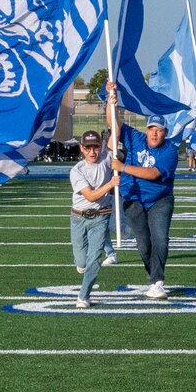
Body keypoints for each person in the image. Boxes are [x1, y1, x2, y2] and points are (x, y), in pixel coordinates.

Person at [111, 100, 180, 299]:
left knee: (161, 239)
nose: (154, 133)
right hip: (133, 199)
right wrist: (111, 103)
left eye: (158, 130)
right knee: (143, 245)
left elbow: (153, 173)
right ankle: (153, 273)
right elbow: (114, 124)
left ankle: (157, 281)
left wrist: (123, 167)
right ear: (146, 129)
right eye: (151, 129)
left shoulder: (170, 150)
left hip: (160, 199)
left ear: (165, 132)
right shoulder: (135, 137)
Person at [69, 129, 119, 307]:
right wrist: (110, 185)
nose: (92, 152)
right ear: (81, 148)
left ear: (100, 147)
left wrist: (113, 103)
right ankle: (82, 266)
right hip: (78, 218)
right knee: (82, 262)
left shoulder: (106, 158)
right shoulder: (76, 171)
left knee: (95, 259)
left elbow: (116, 132)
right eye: (88, 148)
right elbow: (90, 196)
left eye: (95, 147)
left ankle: (84, 296)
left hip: (101, 217)